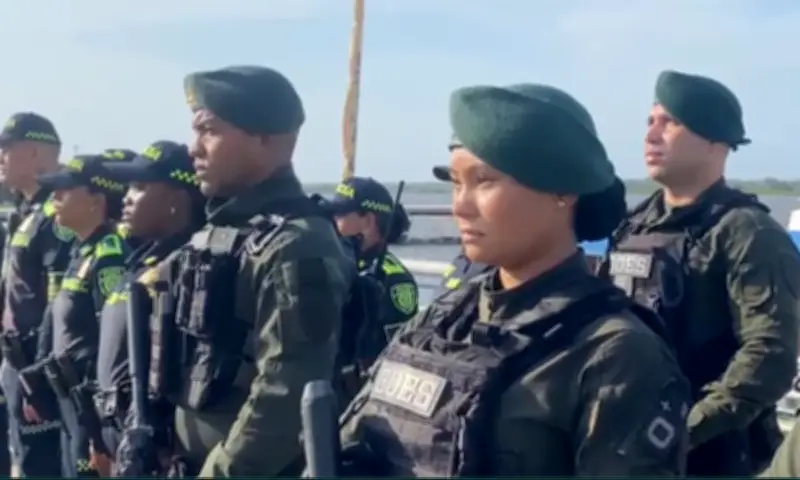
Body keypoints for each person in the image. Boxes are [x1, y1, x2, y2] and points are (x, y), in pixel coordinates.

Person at [335, 83, 690, 476]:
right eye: (456, 182)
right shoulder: (444, 317)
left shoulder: (616, 355)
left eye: (484, 180)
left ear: (562, 191)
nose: (460, 206)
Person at [147, 65, 354, 477]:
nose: (194, 149)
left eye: (209, 130)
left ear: (265, 139)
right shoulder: (221, 231)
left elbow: (286, 393)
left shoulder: (297, 245)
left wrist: (220, 472)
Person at [598, 70, 800, 476]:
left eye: (670, 122)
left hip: (711, 456)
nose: (651, 135)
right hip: (623, 448)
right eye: (650, 121)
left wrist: (678, 433)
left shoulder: (747, 232)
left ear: (715, 140)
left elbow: (769, 357)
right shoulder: (633, 227)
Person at [91, 140, 205, 474]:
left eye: (140, 187)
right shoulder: (144, 260)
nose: (126, 198)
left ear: (176, 201)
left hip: (159, 449)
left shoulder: (189, 270)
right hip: (121, 436)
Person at [35, 153, 130, 477]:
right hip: (70, 401)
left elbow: (113, 344)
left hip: (92, 409)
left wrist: (100, 429)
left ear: (96, 201)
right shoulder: (81, 252)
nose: (55, 197)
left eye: (65, 190)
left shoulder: (110, 256)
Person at [0, 112, 71, 477]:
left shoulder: (58, 214)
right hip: (17, 363)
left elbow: (58, 306)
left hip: (40, 370)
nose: (0, 158)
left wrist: (38, 375)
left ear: (34, 153)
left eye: (6, 149)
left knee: (42, 466)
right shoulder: (23, 211)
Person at [324, 176, 419, 363]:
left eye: (339, 215)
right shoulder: (335, 263)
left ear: (368, 221)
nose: (332, 222)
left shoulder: (395, 280)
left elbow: (399, 351)